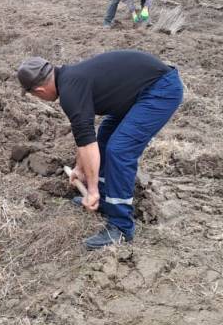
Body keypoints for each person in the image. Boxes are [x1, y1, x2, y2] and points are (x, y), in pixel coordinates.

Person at [17, 51, 183, 250]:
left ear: (40, 90)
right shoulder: (70, 80)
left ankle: (121, 226)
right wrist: (79, 168)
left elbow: (87, 144)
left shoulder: (70, 91)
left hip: (160, 90)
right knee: (104, 136)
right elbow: (86, 138)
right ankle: (106, 199)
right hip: (138, 93)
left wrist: (92, 190)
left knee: (120, 150)